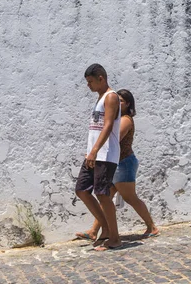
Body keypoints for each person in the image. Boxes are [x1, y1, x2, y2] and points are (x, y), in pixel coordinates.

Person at [76, 89, 159, 241]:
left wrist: (95, 150)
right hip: (113, 163)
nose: (118, 104)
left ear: (128, 104)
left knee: (130, 198)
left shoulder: (125, 120)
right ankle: (94, 231)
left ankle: (151, 226)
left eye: (121, 101)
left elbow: (115, 139)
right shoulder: (116, 119)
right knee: (105, 197)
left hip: (123, 163)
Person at [74, 64, 122, 250]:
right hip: (94, 153)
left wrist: (95, 150)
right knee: (82, 189)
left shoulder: (111, 97)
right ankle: (106, 229)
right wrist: (90, 151)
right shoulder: (100, 99)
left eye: (91, 81)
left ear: (101, 78)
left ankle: (114, 237)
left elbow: (108, 125)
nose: (89, 86)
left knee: (102, 194)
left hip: (105, 153)